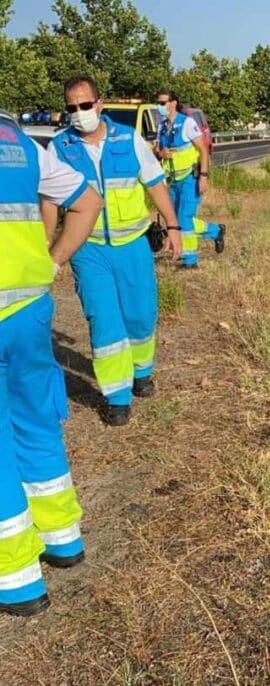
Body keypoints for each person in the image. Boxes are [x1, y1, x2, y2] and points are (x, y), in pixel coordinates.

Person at [0, 109, 103, 617]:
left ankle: (16, 581)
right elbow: (87, 201)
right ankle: (63, 539)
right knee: (37, 422)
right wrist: (53, 262)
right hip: (27, 307)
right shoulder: (18, 142)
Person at [48, 76, 183, 427]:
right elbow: (48, 201)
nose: (78, 113)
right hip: (88, 249)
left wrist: (173, 227)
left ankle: (142, 372)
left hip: (133, 245)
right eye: (71, 107)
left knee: (140, 316)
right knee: (104, 320)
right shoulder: (60, 148)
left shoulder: (129, 139)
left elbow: (155, 184)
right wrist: (50, 248)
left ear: (99, 104)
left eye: (84, 105)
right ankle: (117, 396)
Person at [154, 89, 225, 269]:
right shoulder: (162, 126)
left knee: (184, 217)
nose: (159, 106)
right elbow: (156, 149)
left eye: (162, 103)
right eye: (158, 103)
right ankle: (216, 230)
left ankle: (190, 260)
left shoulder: (187, 123)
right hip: (172, 180)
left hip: (189, 178)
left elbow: (202, 149)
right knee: (177, 220)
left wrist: (203, 176)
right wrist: (161, 153)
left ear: (173, 103)